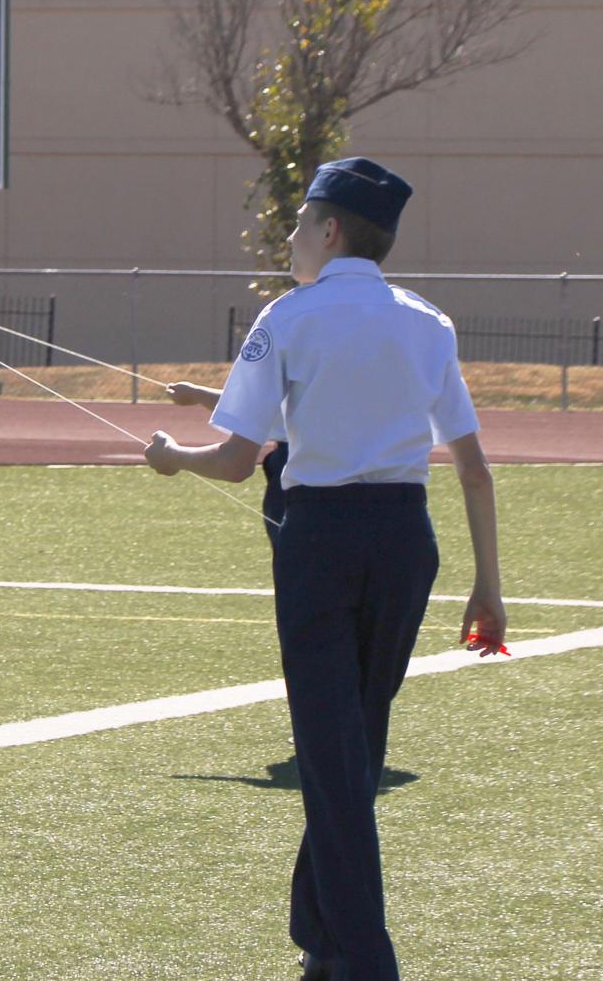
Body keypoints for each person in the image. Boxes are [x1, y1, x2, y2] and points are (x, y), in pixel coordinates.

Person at [143, 158, 507, 981]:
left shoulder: (289, 315)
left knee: (331, 749)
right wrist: (489, 586)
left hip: (321, 540)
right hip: (406, 538)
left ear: (331, 228)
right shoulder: (428, 321)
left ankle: (362, 956)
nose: (293, 238)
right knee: (355, 740)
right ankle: (321, 934)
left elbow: (237, 461)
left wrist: (171, 459)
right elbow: (474, 469)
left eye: (302, 223)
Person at [166, 380, 289, 541]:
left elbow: (235, 464)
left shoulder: (287, 356)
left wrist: (172, 455)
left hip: (299, 482)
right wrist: (196, 394)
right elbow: (269, 411)